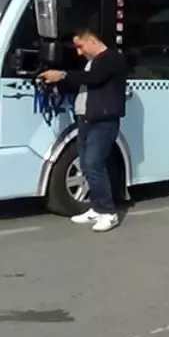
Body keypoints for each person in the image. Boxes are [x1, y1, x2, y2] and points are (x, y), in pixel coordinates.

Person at [38, 28, 128, 232]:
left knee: (94, 163)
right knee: (87, 165)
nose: (78, 52)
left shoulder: (112, 58)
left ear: (92, 41)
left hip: (103, 121)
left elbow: (94, 79)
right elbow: (83, 83)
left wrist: (62, 74)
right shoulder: (90, 63)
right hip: (86, 119)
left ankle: (108, 212)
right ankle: (96, 208)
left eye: (80, 46)